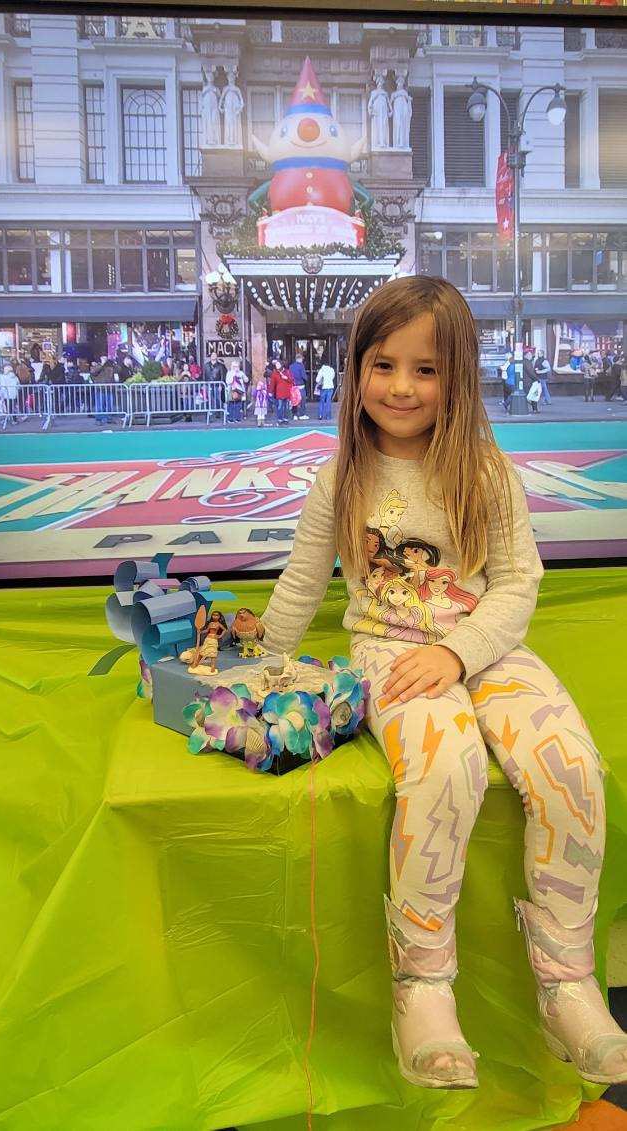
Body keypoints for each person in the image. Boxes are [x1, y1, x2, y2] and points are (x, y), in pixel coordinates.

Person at [257, 275, 627, 1091]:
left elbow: (517, 585)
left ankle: (567, 980)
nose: (399, 386)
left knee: (569, 764)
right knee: (448, 763)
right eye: (382, 364)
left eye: (425, 369)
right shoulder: (340, 478)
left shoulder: (486, 471)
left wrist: (461, 655)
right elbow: (300, 584)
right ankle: (422, 982)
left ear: (457, 376)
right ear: (354, 370)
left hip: (484, 649)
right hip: (387, 650)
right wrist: (255, 664)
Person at [268, 359, 293, 426]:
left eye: (278, 364)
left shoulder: (287, 372)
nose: (277, 366)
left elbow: (292, 381)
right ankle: (280, 419)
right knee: (280, 406)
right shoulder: (275, 373)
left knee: (286, 407)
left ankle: (286, 418)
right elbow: (272, 383)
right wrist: (270, 391)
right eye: (276, 365)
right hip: (279, 393)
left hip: (287, 392)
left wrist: (286, 378)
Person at [288, 353, 310, 419]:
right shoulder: (301, 366)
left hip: (293, 386)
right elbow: (304, 376)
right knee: (302, 400)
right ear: (300, 359)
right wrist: (307, 379)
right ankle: (302, 414)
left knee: (294, 400)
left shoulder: (291, 366)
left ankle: (294, 415)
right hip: (300, 385)